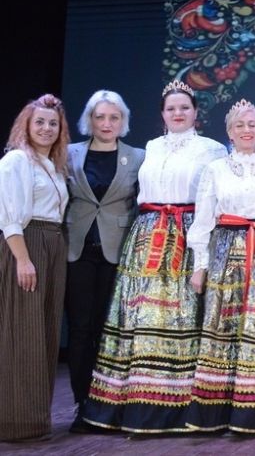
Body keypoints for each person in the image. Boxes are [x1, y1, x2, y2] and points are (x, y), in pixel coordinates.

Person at [83, 80, 226, 432]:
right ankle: (135, 406)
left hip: (188, 236)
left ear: (195, 112)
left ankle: (183, 409)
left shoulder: (213, 150)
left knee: (184, 317)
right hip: (147, 236)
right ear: (162, 114)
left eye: (184, 107)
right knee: (142, 318)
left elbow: (216, 202)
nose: (178, 113)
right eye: (171, 108)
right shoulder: (150, 148)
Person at [185, 99, 255, 433]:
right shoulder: (215, 169)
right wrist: (200, 265)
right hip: (225, 250)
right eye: (240, 125)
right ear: (229, 132)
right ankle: (216, 413)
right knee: (223, 326)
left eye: (252, 124)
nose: (246, 130)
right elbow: (203, 219)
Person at [65, 90, 145, 433]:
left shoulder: (138, 157)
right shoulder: (69, 153)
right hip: (77, 251)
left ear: (123, 121)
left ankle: (107, 404)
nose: (107, 123)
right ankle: (82, 403)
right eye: (100, 117)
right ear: (90, 120)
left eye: (114, 117)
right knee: (80, 329)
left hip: (118, 252)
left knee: (108, 330)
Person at [0, 94, 70, 441]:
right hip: (26, 244)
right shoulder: (17, 160)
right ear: (26, 126)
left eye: (53, 123)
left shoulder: (53, 165)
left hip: (53, 243)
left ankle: (35, 419)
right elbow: (9, 216)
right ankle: (13, 421)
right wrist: (23, 259)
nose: (46, 128)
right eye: (39, 122)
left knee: (44, 332)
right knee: (22, 331)